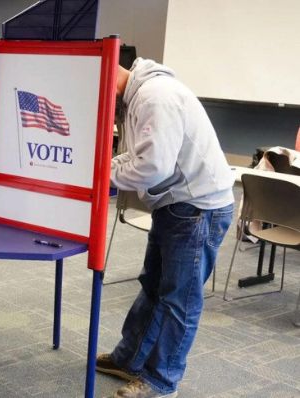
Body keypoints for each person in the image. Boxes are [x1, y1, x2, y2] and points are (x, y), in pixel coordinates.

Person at [96, 58, 235, 398]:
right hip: (177, 204)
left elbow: (152, 167)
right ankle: (128, 359)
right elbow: (139, 156)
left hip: (197, 208)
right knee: (154, 286)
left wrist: (99, 173)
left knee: (179, 300)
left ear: (108, 76)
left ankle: (161, 381)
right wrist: (103, 164)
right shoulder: (140, 96)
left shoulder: (155, 96)